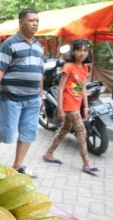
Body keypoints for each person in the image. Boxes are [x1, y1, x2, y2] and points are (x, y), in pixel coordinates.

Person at [0, 8, 43, 179]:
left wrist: (41, 95)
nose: (35, 23)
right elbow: (0, 70)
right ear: (21, 22)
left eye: (37, 21)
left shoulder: (39, 47)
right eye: (31, 20)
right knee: (6, 132)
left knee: (28, 132)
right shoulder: (10, 44)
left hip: (32, 99)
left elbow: (40, 73)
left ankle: (18, 165)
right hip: (12, 97)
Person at [42, 39, 98, 173]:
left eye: (85, 50)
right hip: (69, 104)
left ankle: (48, 154)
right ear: (73, 52)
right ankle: (86, 163)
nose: (82, 53)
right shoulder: (68, 67)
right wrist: (60, 108)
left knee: (64, 130)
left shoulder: (85, 68)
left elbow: (83, 88)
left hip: (77, 104)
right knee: (81, 131)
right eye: (79, 50)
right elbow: (60, 88)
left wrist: (85, 107)